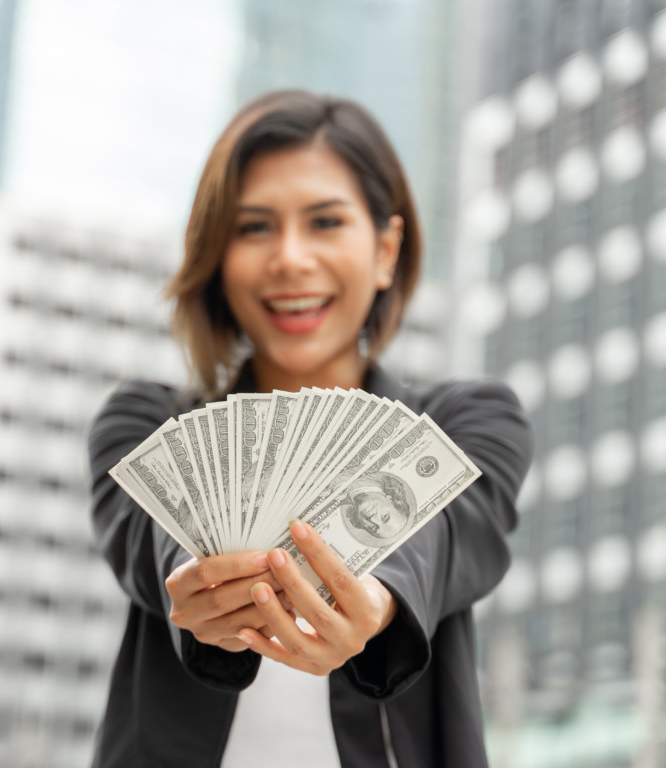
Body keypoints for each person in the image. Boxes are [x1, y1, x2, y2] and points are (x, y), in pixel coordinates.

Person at [87, 91, 533, 768]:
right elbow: (150, 534)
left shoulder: (471, 423)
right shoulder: (142, 421)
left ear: (385, 249)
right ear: (217, 256)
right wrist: (199, 577)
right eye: (254, 227)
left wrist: (380, 602)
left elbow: (449, 529)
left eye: (325, 222)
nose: (291, 259)